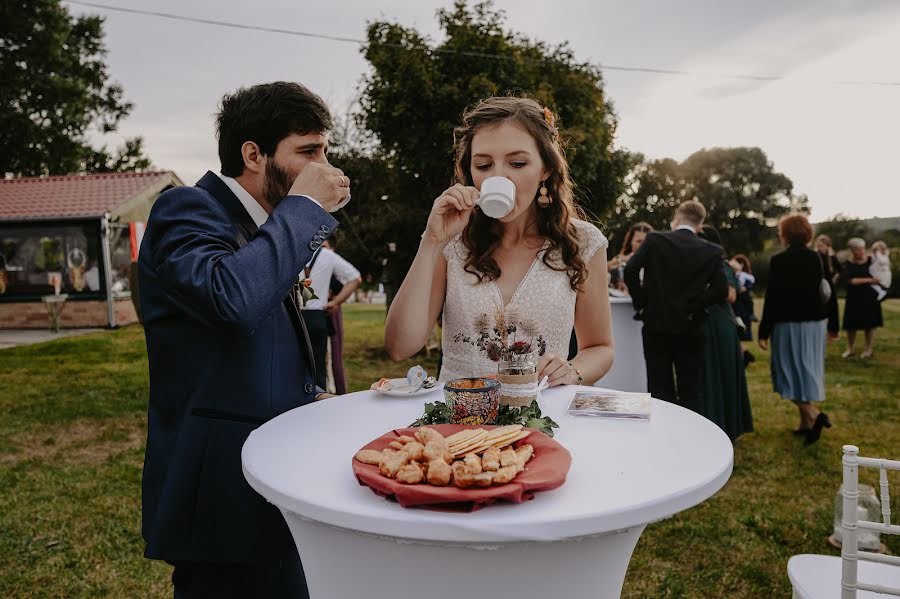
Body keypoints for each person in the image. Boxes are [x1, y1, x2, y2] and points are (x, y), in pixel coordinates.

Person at [138, 82, 351, 599]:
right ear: (252, 154)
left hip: (272, 487)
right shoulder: (186, 209)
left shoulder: (263, 227)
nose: (323, 166)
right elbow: (232, 297)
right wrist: (302, 210)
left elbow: (255, 337)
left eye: (325, 151)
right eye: (307, 152)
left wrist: (306, 398)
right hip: (221, 500)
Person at [384, 96, 614, 387]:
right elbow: (399, 347)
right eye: (483, 165)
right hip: (460, 420)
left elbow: (600, 348)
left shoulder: (582, 242)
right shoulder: (451, 242)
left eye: (517, 163)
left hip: (542, 416)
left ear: (545, 168)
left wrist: (571, 371)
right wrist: (431, 242)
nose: (499, 176)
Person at [624, 200, 727, 413]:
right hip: (691, 327)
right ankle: (689, 439)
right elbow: (720, 291)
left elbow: (630, 270)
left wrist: (642, 303)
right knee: (690, 389)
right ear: (699, 226)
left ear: (677, 218)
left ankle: (662, 437)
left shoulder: (655, 240)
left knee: (659, 386)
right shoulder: (712, 251)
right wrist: (693, 306)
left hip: (655, 324)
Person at [758, 215, 830, 445]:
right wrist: (834, 325)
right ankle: (805, 424)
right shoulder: (816, 258)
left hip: (788, 324)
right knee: (806, 371)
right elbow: (826, 292)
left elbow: (772, 298)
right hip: (814, 325)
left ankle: (814, 415)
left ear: (785, 234)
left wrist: (763, 330)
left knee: (785, 372)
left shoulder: (779, 261)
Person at [698, 226, 753, 442]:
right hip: (705, 322)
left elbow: (730, 295)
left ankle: (731, 426)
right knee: (709, 374)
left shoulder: (721, 265)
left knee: (726, 373)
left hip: (721, 323)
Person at [301, 237, 361, 390]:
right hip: (316, 317)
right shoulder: (327, 255)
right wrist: (335, 302)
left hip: (291, 317)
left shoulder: (291, 249)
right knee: (318, 368)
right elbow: (355, 278)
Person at [320, 236, 360, 395]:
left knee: (334, 353)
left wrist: (335, 301)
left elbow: (351, 281)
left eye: (324, 246)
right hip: (321, 311)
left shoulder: (332, 266)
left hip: (331, 312)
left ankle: (336, 390)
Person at [842, 238, 883, 358]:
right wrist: (870, 280)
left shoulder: (872, 261)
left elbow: (880, 273)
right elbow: (851, 281)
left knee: (869, 324)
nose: (861, 251)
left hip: (870, 297)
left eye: (863, 249)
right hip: (854, 297)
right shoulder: (847, 264)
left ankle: (868, 349)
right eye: (858, 249)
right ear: (852, 250)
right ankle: (850, 348)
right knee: (851, 325)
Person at [608, 221, 653, 293]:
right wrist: (622, 260)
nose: (642, 245)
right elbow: (603, 268)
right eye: (639, 241)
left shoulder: (656, 262)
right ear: (631, 242)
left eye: (645, 242)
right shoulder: (621, 259)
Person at [814, 234, 843, 340]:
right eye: (818, 246)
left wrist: (834, 279)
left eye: (822, 246)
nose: (820, 248)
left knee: (832, 309)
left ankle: (833, 332)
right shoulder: (815, 256)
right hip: (818, 286)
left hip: (829, 286)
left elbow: (840, 270)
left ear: (827, 246)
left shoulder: (831, 257)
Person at [728, 254, 755, 341]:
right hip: (736, 303)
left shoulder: (746, 276)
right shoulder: (731, 275)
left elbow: (745, 288)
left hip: (743, 304)